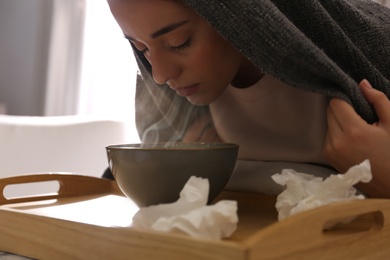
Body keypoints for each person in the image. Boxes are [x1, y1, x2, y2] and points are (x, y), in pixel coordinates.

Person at [104, 0, 390, 198]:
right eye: (141, 48)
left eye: (179, 42)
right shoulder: (173, 111)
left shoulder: (371, 53)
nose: (160, 75)